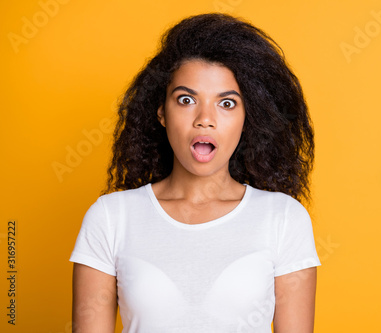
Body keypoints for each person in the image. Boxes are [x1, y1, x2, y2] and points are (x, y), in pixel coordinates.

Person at [70, 13, 321, 333]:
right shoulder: (110, 217)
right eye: (186, 100)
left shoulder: (284, 218)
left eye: (227, 104)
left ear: (248, 116)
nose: (205, 119)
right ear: (161, 112)